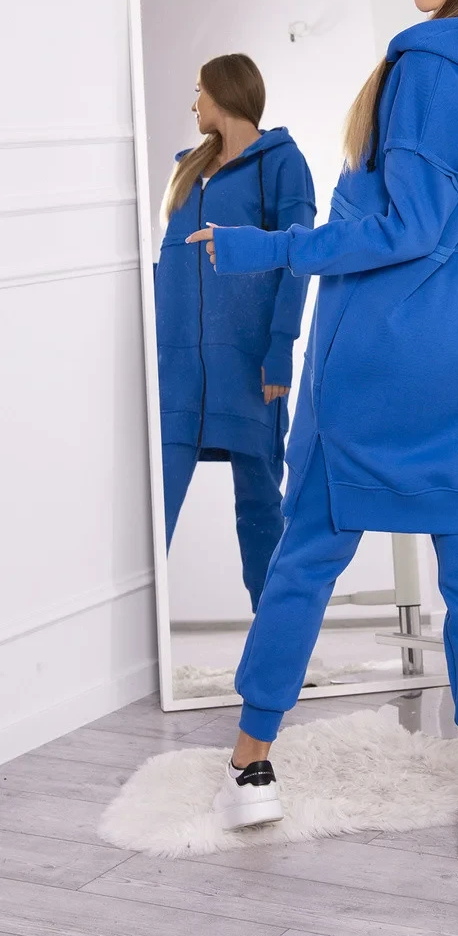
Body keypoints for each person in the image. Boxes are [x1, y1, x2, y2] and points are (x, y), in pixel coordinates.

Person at [189, 0, 458, 863]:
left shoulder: (425, 65)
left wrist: (268, 248)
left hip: (379, 363)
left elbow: (406, 228)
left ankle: (249, 771)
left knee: (307, 558)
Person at [156, 53, 315, 612]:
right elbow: (169, 268)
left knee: (259, 507)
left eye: (199, 90)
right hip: (176, 370)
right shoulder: (186, 169)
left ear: (224, 93)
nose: (193, 103)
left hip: (250, 365)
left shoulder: (283, 163)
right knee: (155, 506)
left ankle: (273, 637)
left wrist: (280, 350)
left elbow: (297, 261)